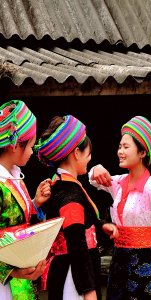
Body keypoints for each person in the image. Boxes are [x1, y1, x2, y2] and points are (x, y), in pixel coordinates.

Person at [88, 116, 151, 300]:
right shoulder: (118, 182)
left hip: (146, 264)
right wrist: (96, 168)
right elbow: (94, 180)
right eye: (120, 146)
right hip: (119, 262)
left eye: (126, 147)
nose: (120, 151)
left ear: (142, 153)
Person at [34, 115, 118, 300]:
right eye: (88, 154)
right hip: (74, 279)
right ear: (76, 153)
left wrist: (100, 225)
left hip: (68, 272)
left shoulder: (60, 185)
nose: (90, 159)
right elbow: (76, 243)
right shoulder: (70, 194)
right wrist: (88, 290)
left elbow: (79, 226)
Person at [0, 100, 51, 300]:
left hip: (21, 280)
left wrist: (35, 203)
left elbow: (13, 218)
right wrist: (12, 271)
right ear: (14, 146)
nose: (32, 151)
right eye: (30, 145)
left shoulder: (14, 177)